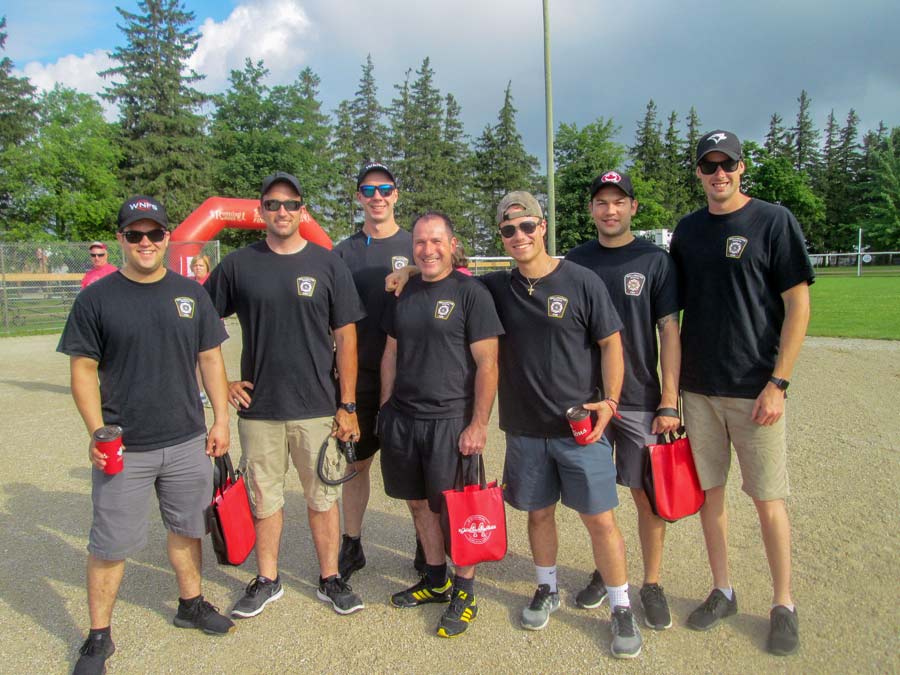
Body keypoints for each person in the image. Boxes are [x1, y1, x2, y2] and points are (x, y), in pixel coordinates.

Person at [58, 196, 234, 675]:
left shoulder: (190, 293)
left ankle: (190, 604)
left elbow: (210, 358)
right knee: (109, 544)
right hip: (126, 447)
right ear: (120, 239)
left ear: (167, 237)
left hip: (185, 440)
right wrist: (97, 432)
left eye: (154, 233)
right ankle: (98, 636)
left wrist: (221, 419)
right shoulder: (97, 298)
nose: (145, 242)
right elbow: (83, 370)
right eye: (135, 234)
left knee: (187, 529)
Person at [669, 130, 813, 656]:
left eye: (726, 164)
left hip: (756, 391)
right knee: (711, 496)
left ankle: (783, 603)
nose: (718, 174)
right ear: (699, 173)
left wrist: (779, 382)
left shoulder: (773, 221)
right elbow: (671, 311)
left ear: (741, 167)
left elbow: (798, 305)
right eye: (708, 166)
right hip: (700, 390)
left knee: (768, 499)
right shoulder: (688, 231)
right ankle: (723, 590)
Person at [485, 192, 644, 658]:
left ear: (542, 226)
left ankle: (620, 606)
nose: (519, 236)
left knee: (600, 520)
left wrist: (610, 402)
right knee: (538, 514)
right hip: (525, 427)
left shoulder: (581, 280)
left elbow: (612, 344)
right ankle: (547, 587)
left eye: (526, 226)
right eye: (509, 230)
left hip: (580, 428)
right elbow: (446, 274)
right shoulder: (497, 287)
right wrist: (411, 270)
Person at [203, 172, 367, 619]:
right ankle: (267, 579)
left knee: (323, 499)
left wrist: (348, 404)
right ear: (261, 210)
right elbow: (200, 320)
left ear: (302, 210)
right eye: (273, 204)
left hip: (317, 406)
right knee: (264, 500)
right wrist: (223, 384)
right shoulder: (239, 265)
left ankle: (330, 577)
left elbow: (346, 337)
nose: (282, 211)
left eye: (291, 204)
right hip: (261, 409)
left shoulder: (327, 263)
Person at [565, 171, 681, 631]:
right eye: (601, 202)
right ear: (591, 209)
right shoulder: (576, 260)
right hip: (588, 399)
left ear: (633, 207)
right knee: (596, 497)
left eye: (618, 201)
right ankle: (606, 570)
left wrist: (669, 400)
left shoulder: (654, 260)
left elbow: (668, 331)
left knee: (647, 497)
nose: (609, 210)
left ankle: (651, 582)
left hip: (638, 400)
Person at [379, 211, 503, 638]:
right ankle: (436, 580)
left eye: (436, 241)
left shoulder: (472, 293)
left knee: (457, 510)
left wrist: (479, 424)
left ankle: (465, 593)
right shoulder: (403, 291)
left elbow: (488, 364)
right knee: (417, 504)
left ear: (452, 244)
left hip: (451, 421)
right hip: (404, 419)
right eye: (419, 242)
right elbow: (391, 353)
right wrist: (385, 407)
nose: (427, 249)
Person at [332, 161, 413, 580]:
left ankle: (426, 547)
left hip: (412, 374)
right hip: (360, 375)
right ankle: (352, 542)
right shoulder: (343, 252)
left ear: (396, 194)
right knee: (356, 465)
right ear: (359, 197)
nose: (377, 197)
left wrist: (413, 268)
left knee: (416, 467)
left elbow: (454, 266)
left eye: (384, 189)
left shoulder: (417, 243)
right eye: (368, 190)